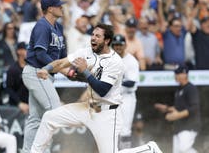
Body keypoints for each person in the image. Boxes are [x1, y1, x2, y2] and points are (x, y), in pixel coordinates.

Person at [32, 23, 162, 153]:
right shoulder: (87, 51)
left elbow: (102, 90)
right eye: (93, 35)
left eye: (98, 36)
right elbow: (61, 62)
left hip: (106, 113)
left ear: (107, 41)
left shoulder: (115, 62)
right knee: (49, 118)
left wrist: (85, 71)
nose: (93, 38)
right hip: (88, 107)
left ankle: (149, 149)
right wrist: (46, 69)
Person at [21, 0, 67, 153]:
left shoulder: (58, 28)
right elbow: (40, 54)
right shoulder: (42, 25)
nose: (62, 7)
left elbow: (62, 56)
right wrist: (61, 68)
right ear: (50, 9)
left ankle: (29, 151)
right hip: (36, 72)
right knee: (54, 112)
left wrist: (71, 68)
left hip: (44, 75)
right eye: (59, 5)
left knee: (36, 119)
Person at [154, 65, 201, 153]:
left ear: (184, 74)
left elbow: (194, 107)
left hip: (189, 126)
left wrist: (177, 116)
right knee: (177, 151)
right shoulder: (179, 89)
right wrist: (167, 108)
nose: (175, 76)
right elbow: (179, 107)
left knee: (183, 149)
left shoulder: (191, 88)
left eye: (177, 73)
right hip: (179, 127)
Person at [111, 34, 139, 149]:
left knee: (125, 129)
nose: (118, 47)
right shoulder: (110, 58)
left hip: (126, 98)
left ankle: (126, 151)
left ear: (125, 45)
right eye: (115, 45)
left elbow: (131, 82)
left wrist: (115, 81)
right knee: (112, 128)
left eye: (120, 45)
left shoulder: (131, 60)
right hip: (113, 97)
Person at [6, 42, 29, 114]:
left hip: (31, 104)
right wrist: (19, 103)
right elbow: (8, 88)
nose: (28, 52)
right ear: (19, 51)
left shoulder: (32, 68)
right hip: (16, 105)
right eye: (25, 49)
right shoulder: (12, 69)